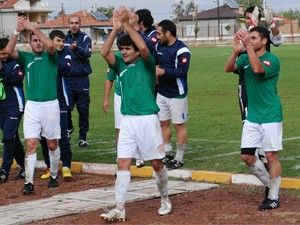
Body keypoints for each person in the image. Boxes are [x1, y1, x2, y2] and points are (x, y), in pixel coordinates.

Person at [99, 7, 172, 222]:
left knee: (157, 164)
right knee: (122, 163)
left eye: (128, 49)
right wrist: (115, 29)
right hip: (128, 121)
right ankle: (119, 208)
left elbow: (143, 46)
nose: (124, 52)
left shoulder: (147, 63)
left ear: (137, 52)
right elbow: (104, 53)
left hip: (148, 120)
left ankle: (165, 199)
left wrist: (128, 25)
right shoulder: (120, 64)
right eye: (122, 49)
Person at [225, 26, 283, 210]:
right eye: (249, 38)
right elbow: (228, 68)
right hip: (253, 116)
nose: (250, 40)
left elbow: (257, 69)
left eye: (254, 38)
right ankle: (269, 184)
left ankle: (273, 197)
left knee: (271, 156)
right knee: (247, 156)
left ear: (264, 41)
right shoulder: (244, 58)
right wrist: (235, 53)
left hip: (271, 115)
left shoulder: (272, 59)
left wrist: (247, 46)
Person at [5, 17, 61, 194]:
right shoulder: (26, 57)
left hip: (50, 106)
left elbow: (51, 46)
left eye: (39, 41)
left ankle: (53, 174)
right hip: (32, 107)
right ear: (29, 43)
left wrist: (33, 28)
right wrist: (17, 31)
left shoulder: (51, 56)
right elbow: (8, 50)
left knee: (52, 144)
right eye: (34, 41)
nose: (38, 43)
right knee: (31, 144)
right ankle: (29, 182)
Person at [238, 5, 284, 169]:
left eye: (251, 16)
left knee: (262, 110)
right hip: (246, 78)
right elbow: (237, 54)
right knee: (248, 116)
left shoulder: (262, 33)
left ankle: (264, 154)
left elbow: (278, 40)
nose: (248, 19)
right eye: (247, 16)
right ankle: (254, 150)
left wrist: (271, 23)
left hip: (263, 74)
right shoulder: (246, 33)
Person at [154, 19, 191, 170]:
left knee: (179, 125)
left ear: (168, 33)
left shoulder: (182, 50)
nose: (157, 36)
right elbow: (155, 64)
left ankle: (179, 157)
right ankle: (167, 152)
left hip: (177, 93)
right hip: (161, 92)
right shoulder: (158, 46)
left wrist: (163, 72)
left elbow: (182, 72)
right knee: (163, 122)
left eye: (159, 33)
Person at [40, 30, 73, 180]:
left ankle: (66, 166)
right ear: (50, 41)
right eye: (57, 41)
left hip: (61, 101)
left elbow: (64, 68)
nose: (60, 44)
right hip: (44, 102)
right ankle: (49, 166)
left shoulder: (66, 54)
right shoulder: (41, 55)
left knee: (63, 135)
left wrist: (51, 58)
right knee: (44, 137)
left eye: (62, 41)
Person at [0, 38, 25, 183]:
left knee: (8, 137)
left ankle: (4, 170)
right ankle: (25, 166)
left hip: (15, 106)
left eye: (5, 53)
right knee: (12, 138)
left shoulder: (16, 63)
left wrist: (2, 70)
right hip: (1, 107)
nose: (3, 56)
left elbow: (16, 79)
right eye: (1, 54)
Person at [65, 15, 92, 147]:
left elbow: (87, 53)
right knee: (66, 107)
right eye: (71, 23)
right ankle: (68, 128)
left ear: (80, 24)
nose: (74, 25)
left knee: (83, 109)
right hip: (67, 79)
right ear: (68, 24)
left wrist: (76, 48)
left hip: (82, 79)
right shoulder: (64, 39)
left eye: (76, 23)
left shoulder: (85, 38)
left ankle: (82, 137)